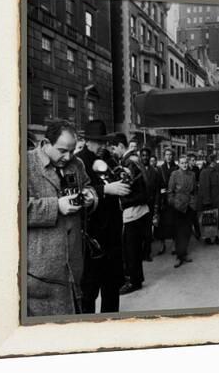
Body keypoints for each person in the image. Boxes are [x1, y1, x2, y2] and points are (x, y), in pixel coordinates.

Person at [26, 120, 97, 316]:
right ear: (46, 143)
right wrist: (56, 206)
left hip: (73, 265)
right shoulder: (23, 164)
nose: (68, 157)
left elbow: (88, 186)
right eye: (62, 151)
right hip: (40, 272)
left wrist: (91, 197)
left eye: (72, 151)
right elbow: (12, 210)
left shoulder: (77, 164)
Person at [76, 120, 130, 313]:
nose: (103, 147)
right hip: (93, 237)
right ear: (88, 141)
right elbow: (78, 193)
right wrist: (105, 189)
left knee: (112, 288)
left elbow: (119, 177)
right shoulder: (79, 161)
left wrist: (123, 174)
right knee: (89, 291)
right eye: (99, 142)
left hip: (113, 235)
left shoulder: (107, 158)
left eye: (105, 142)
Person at [108, 133, 150, 295]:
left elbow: (127, 191)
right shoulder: (135, 160)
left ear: (120, 146)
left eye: (113, 148)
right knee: (134, 248)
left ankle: (134, 281)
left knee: (130, 249)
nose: (113, 152)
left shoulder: (127, 164)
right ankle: (136, 278)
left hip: (132, 212)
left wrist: (118, 200)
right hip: (141, 211)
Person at [168, 155, 197, 267]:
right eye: (182, 163)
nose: (184, 165)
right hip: (179, 206)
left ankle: (184, 253)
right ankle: (179, 256)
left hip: (189, 206)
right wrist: (174, 203)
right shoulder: (174, 174)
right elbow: (170, 192)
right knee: (179, 232)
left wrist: (194, 203)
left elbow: (194, 190)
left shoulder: (192, 175)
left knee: (187, 231)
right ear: (179, 164)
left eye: (186, 163)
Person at [197, 154, 219, 245]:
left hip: (218, 197)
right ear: (209, 162)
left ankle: (218, 237)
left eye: (215, 161)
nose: (215, 163)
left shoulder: (215, 171)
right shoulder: (205, 172)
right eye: (213, 161)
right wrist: (206, 200)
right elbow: (205, 187)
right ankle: (209, 238)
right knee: (209, 218)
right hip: (211, 199)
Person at [154, 148, 178, 255]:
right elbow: (156, 184)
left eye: (171, 155)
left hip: (173, 198)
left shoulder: (176, 168)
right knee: (161, 223)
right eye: (167, 155)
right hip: (163, 199)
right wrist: (160, 190)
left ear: (173, 156)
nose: (169, 157)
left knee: (173, 222)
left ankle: (174, 244)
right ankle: (162, 244)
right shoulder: (160, 169)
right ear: (164, 156)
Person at [140, 147, 161, 262]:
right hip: (139, 204)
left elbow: (158, 190)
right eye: (142, 155)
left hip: (151, 204)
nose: (145, 157)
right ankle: (139, 252)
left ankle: (147, 253)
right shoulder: (137, 169)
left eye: (146, 155)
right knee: (139, 231)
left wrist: (156, 205)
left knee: (148, 231)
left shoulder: (155, 172)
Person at [187, 153, 201, 239]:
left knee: (195, 214)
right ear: (188, 161)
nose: (194, 162)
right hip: (186, 194)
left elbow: (199, 179)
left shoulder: (196, 169)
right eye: (192, 160)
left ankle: (197, 232)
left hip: (195, 193)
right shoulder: (185, 169)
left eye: (195, 160)